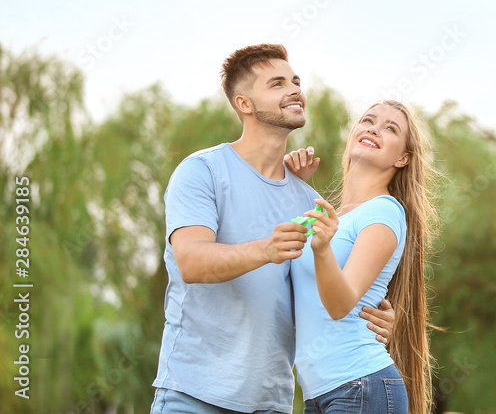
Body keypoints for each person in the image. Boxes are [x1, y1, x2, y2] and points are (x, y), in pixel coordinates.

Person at [151, 44, 395, 414]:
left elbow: (320, 296)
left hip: (270, 403)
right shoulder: (202, 171)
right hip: (192, 394)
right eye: (277, 84)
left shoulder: (308, 202)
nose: (294, 89)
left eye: (296, 81)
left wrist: (370, 318)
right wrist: (265, 249)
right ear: (244, 104)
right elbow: (191, 261)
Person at [284, 100, 436, 414]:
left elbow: (340, 305)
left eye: (390, 128)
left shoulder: (384, 211)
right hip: (319, 393)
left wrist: (323, 249)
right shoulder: (330, 218)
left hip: (360, 385)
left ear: (403, 158)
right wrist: (290, 183)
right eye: (368, 120)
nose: (374, 128)